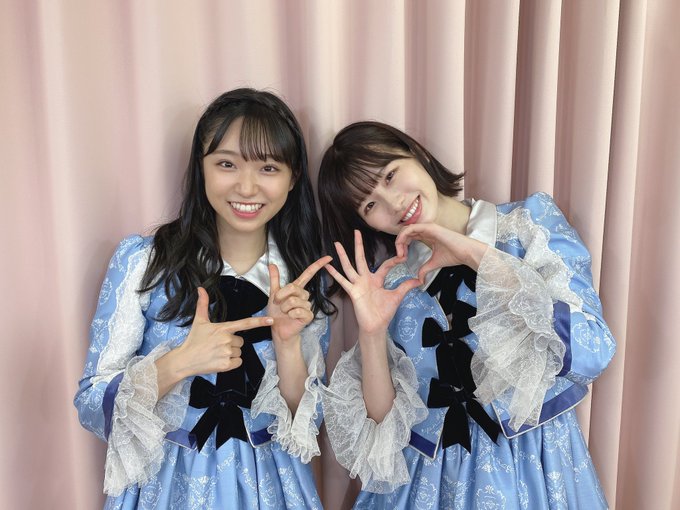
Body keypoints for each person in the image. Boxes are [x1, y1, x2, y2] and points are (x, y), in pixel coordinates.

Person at [317, 121, 615, 509]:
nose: (394, 203)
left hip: (535, 469)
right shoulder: (390, 286)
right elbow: (384, 437)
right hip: (431, 483)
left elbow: (593, 350)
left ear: (416, 153)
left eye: (390, 175)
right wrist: (371, 332)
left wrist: (477, 255)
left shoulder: (527, 225)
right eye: (369, 205)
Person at [74, 88, 334, 509]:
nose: (246, 186)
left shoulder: (303, 280)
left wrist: (287, 346)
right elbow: (91, 403)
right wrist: (180, 362)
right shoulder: (144, 261)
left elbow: (307, 426)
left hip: (272, 487)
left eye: (268, 167)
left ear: (293, 177)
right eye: (226, 164)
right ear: (201, 167)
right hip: (164, 486)